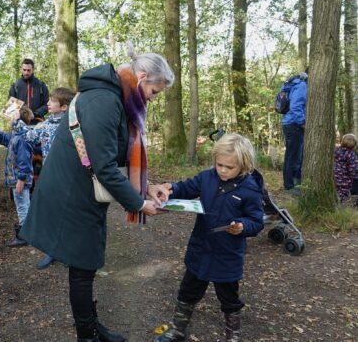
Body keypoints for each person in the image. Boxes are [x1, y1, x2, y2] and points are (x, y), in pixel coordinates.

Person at [19, 44, 174, 342]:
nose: (152, 100)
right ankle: (86, 335)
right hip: (72, 194)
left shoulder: (114, 96)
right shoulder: (105, 100)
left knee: (86, 263)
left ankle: (91, 326)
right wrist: (140, 203)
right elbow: (104, 167)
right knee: (83, 265)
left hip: (81, 190)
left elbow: (114, 155)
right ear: (141, 77)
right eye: (154, 92)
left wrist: (147, 184)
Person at [150, 134, 264, 342]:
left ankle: (233, 336)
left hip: (227, 255)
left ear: (244, 165)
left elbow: (256, 221)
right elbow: (187, 187)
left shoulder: (250, 189)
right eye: (219, 164)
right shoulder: (208, 177)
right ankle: (177, 330)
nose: (222, 170)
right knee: (187, 292)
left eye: (229, 167)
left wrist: (242, 226)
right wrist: (172, 188)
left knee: (229, 298)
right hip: (200, 250)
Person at [22, 87, 75, 269]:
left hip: (70, 177)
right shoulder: (44, 125)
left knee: (69, 214)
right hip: (50, 176)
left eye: (52, 101)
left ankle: (70, 251)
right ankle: (53, 251)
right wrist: (15, 122)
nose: (47, 104)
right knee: (52, 213)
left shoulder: (75, 127)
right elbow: (28, 136)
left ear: (64, 107)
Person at [0, 105, 34, 247]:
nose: (8, 121)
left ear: (17, 119)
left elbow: (24, 161)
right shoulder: (15, 136)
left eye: (10, 118)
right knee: (23, 204)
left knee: (22, 206)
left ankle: (24, 236)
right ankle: (28, 232)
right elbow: (3, 137)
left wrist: (21, 179)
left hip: (19, 180)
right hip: (16, 179)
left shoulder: (21, 138)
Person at [281, 72, 308, 193]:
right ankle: (290, 186)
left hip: (290, 123)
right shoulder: (302, 85)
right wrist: (302, 122)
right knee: (293, 156)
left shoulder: (295, 84)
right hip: (294, 124)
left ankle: (295, 184)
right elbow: (296, 106)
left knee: (294, 155)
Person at [334, 133, 358, 202]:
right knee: (344, 189)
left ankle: (338, 198)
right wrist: (355, 176)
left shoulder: (337, 151)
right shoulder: (351, 154)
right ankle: (342, 201)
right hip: (345, 176)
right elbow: (352, 168)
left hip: (335, 174)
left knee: (338, 188)